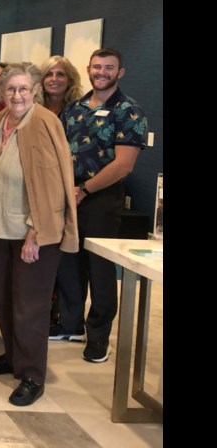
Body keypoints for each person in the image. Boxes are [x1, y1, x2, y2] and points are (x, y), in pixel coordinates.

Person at [0, 62, 78, 407]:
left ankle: (32, 374)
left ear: (34, 92)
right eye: (10, 89)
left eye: (23, 89)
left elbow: (51, 183)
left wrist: (35, 232)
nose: (16, 95)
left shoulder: (44, 123)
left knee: (29, 306)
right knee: (2, 298)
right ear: (0, 91)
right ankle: (14, 356)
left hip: (33, 233)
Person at [53, 48, 147, 363]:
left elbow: (124, 165)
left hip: (102, 199)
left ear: (120, 72)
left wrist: (85, 190)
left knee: (100, 269)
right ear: (89, 69)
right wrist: (69, 191)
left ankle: (98, 338)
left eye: (109, 68)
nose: (101, 72)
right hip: (70, 194)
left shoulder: (129, 110)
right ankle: (70, 324)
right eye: (97, 67)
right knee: (68, 261)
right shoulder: (74, 108)